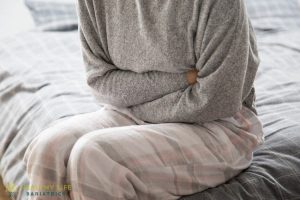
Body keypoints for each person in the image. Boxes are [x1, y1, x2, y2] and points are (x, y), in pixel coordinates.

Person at [24, 0, 265, 199]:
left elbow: (217, 100)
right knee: (48, 149)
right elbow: (100, 83)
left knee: (93, 156)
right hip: (130, 113)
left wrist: (137, 101)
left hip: (220, 126)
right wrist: (183, 80)